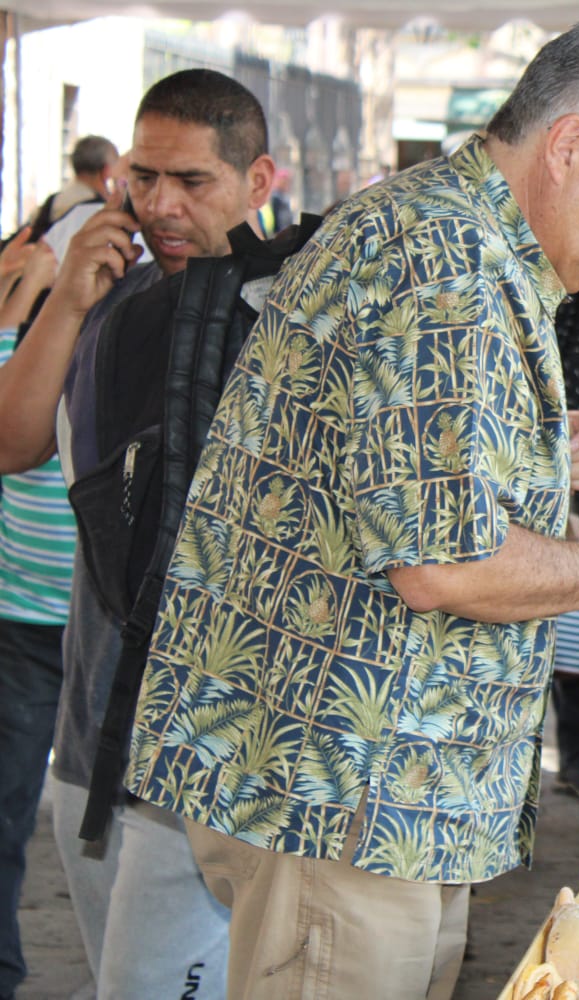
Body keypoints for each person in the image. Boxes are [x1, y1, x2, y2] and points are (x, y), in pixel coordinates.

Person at [124, 21, 579, 999]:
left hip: (380, 797)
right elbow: (442, 563)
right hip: (339, 798)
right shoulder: (443, 266)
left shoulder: (461, 246)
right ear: (569, 146)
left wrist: (545, 456)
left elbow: (397, 481)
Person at [0, 68, 283, 999]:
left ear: (260, 182)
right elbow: (14, 442)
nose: (161, 205)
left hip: (221, 755)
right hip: (91, 735)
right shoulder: (107, 293)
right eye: (143, 178)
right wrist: (70, 302)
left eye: (192, 182)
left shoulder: (296, 314)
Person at [0, 247, 68, 1000]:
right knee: (6, 811)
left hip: (99, 628)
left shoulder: (128, 331)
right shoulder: (19, 348)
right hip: (20, 621)